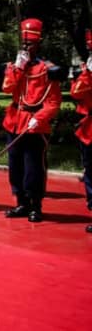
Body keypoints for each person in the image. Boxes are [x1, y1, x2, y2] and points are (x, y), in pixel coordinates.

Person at [0, 18, 63, 222]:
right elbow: (7, 88)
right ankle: (21, 203)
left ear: (39, 44)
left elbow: (53, 102)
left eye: (31, 44)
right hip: (15, 121)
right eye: (24, 44)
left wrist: (40, 118)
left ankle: (35, 205)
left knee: (34, 167)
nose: (27, 48)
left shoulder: (48, 69)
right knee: (15, 165)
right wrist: (18, 67)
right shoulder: (14, 66)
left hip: (35, 124)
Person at [71, 29, 92, 234]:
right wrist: (87, 74)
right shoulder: (87, 72)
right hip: (88, 129)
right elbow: (76, 92)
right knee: (90, 171)